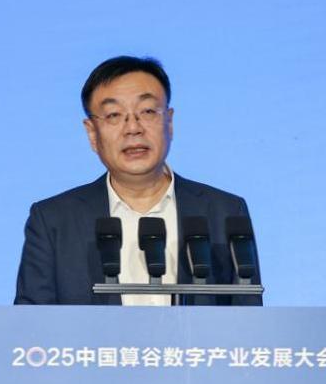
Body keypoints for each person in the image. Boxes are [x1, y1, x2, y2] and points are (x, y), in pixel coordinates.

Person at [14, 55, 261, 306]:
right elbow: (30, 324)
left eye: (148, 111)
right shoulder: (53, 221)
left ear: (169, 122)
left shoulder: (225, 212)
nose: (133, 128)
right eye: (113, 115)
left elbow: (249, 319)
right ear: (92, 133)